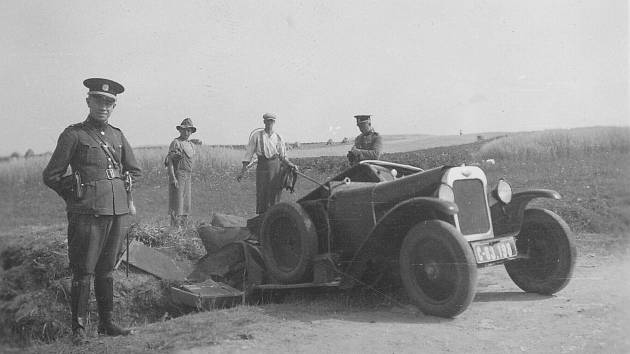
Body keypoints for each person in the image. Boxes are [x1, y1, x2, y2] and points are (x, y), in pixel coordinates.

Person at [42, 78, 141, 345]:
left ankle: (106, 323)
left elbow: (134, 169)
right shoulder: (74, 135)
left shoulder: (118, 135)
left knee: (106, 270)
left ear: (114, 106)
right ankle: (79, 329)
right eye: (99, 101)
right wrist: (76, 195)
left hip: (117, 212)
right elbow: (51, 175)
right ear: (89, 102)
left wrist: (127, 186)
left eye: (109, 103)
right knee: (83, 271)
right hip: (87, 214)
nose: (104, 107)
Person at [237, 113, 298, 214]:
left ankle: (274, 215)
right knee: (262, 192)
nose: (269, 123)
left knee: (275, 192)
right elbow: (248, 154)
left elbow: (283, 156)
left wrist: (290, 164)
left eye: (271, 121)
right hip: (262, 167)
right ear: (264, 122)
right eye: (267, 121)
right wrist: (242, 172)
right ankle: (262, 217)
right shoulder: (256, 136)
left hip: (275, 167)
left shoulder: (279, 137)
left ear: (274, 122)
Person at [165, 118, 197, 227]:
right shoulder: (176, 143)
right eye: (184, 130)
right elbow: (169, 161)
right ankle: (174, 231)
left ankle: (183, 230)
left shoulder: (191, 145)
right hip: (179, 175)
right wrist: (173, 178)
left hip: (188, 176)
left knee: (186, 205)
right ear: (180, 130)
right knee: (177, 204)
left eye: (189, 130)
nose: (187, 133)